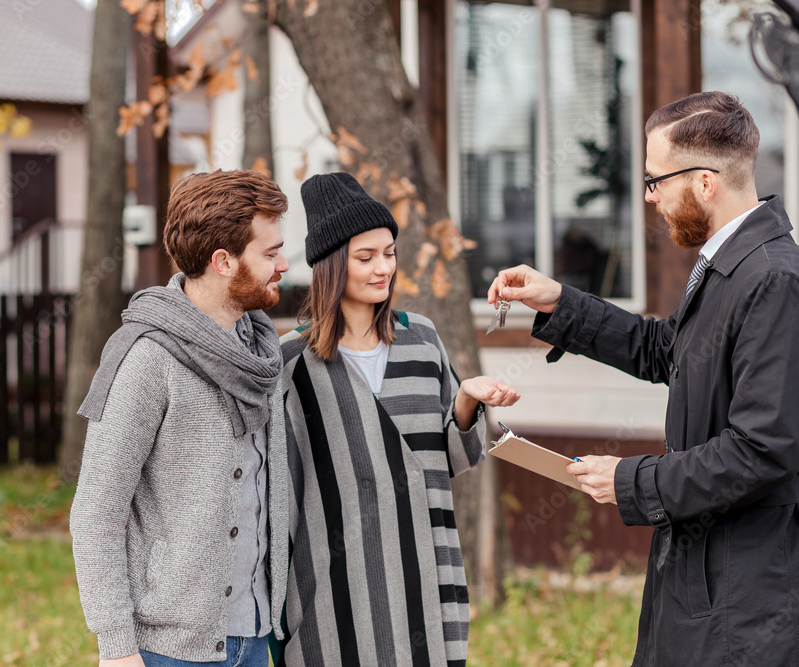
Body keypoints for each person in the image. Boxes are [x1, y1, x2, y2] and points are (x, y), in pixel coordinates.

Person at [487, 91, 799, 665]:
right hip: (700, 582)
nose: (650, 197)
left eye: (657, 180)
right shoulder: (726, 266)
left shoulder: (772, 280)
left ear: (705, 182)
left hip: (742, 604)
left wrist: (632, 481)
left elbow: (763, 450)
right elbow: (667, 350)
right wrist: (560, 302)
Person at [276, 172, 520, 666]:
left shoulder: (422, 340)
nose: (383, 267)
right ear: (331, 265)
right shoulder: (291, 363)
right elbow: (282, 488)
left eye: (389, 253)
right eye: (365, 258)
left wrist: (467, 402)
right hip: (336, 586)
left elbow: (454, 457)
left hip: (424, 568)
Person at [70, 170, 291, 667]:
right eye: (271, 252)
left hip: (256, 638)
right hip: (168, 652)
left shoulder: (260, 352)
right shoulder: (148, 358)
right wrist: (116, 648)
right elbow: (95, 514)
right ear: (224, 261)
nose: (284, 263)